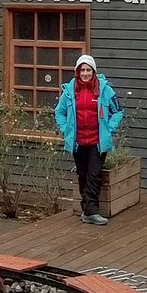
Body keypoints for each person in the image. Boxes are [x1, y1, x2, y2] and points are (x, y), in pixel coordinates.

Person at [54, 54, 124, 225]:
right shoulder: (70, 91)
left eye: (88, 70)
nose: (85, 73)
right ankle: (87, 210)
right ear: (77, 72)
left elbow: (118, 111)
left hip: (98, 141)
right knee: (83, 175)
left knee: (94, 175)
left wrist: (109, 128)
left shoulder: (105, 89)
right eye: (82, 70)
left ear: (94, 71)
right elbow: (59, 112)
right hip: (78, 142)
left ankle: (91, 210)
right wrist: (66, 129)